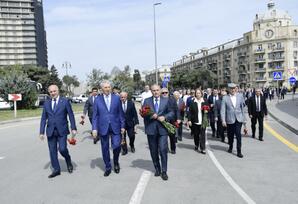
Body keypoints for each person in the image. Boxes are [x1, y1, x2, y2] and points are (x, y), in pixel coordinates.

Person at [39, 85, 77, 178]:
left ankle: (68, 159)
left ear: (58, 91)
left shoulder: (65, 101)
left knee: (62, 149)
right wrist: (41, 132)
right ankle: (56, 170)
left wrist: (73, 128)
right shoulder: (47, 103)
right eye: (51, 92)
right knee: (52, 151)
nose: (53, 93)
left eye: (54, 91)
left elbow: (71, 115)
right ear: (49, 93)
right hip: (50, 130)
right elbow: (44, 118)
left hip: (62, 129)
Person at [92, 80, 125, 177]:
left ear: (111, 88)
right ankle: (107, 167)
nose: (107, 89)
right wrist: (94, 128)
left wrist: (123, 126)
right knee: (105, 148)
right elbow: (95, 115)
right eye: (105, 87)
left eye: (109, 87)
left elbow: (121, 114)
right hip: (103, 127)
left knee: (116, 146)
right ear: (102, 89)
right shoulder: (97, 100)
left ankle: (116, 162)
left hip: (115, 126)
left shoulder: (116, 98)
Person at [142, 84, 175, 181]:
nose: (156, 92)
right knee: (153, 150)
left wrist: (165, 117)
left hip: (163, 129)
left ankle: (164, 171)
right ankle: (157, 168)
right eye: (153, 90)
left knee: (163, 149)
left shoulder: (166, 100)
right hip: (151, 129)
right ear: (151, 91)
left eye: (157, 90)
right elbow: (143, 113)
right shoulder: (147, 101)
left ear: (160, 90)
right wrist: (149, 116)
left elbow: (172, 112)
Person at [221, 83, 247, 158]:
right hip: (229, 119)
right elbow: (223, 110)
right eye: (231, 88)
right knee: (230, 135)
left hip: (239, 119)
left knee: (238, 134)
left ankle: (239, 151)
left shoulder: (240, 96)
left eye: (234, 88)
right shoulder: (225, 98)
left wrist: (244, 120)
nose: (232, 90)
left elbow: (242, 108)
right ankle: (231, 146)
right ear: (228, 89)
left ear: (235, 89)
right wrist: (223, 120)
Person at [188, 89, 209, 154]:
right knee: (196, 135)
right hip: (195, 121)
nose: (198, 94)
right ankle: (196, 144)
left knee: (202, 135)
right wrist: (189, 120)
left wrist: (206, 111)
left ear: (201, 94)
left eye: (199, 93)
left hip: (203, 121)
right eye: (197, 93)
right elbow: (190, 112)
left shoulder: (205, 101)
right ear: (195, 94)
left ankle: (203, 148)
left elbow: (208, 109)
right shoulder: (192, 102)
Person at [161, 87, 177, 154]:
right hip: (162, 121)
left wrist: (178, 118)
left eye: (166, 92)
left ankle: (173, 149)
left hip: (171, 121)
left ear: (168, 93)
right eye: (163, 93)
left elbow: (176, 110)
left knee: (172, 136)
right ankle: (165, 148)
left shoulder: (172, 99)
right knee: (163, 136)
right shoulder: (159, 100)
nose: (164, 94)